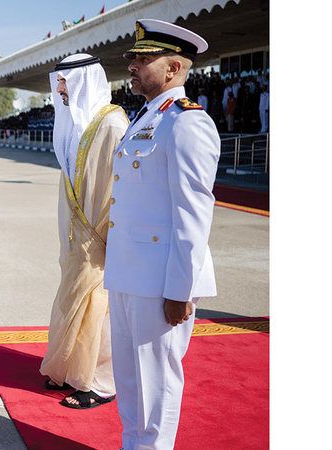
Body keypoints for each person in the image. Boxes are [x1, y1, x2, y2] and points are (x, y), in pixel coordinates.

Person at [105, 19, 221, 449]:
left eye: (143, 59)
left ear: (173, 68)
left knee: (157, 382)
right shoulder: (147, 117)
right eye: (132, 58)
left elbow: (193, 212)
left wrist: (180, 289)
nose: (132, 66)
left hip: (160, 279)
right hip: (128, 272)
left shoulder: (186, 122)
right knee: (129, 379)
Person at [39, 53, 128, 409]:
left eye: (65, 81)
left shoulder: (112, 124)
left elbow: (119, 188)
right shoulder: (71, 123)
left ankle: (101, 383)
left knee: (99, 307)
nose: (59, 88)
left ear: (84, 81)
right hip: (76, 237)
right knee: (71, 298)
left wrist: (111, 237)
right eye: (58, 81)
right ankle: (69, 369)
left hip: (101, 236)